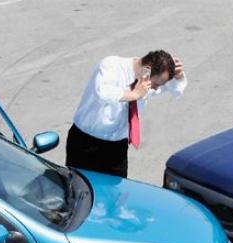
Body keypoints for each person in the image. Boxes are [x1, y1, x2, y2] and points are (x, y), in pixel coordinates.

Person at [66, 50, 187, 178]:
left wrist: (179, 76)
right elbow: (102, 92)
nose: (156, 89)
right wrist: (134, 94)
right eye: (156, 84)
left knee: (118, 193)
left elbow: (176, 90)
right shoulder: (112, 65)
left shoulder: (146, 82)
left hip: (117, 148)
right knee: (78, 190)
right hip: (86, 143)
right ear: (147, 70)